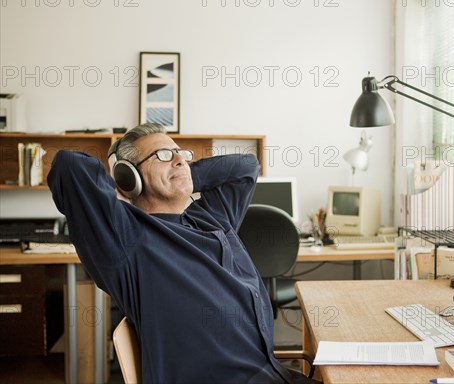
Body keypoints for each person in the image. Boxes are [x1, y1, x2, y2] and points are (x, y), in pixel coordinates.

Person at [48, 123, 315, 383]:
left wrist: (181, 173)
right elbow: (69, 166)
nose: (179, 159)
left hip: (272, 372)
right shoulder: (126, 236)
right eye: (163, 155)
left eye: (182, 153)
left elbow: (245, 167)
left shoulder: (211, 218)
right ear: (130, 175)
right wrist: (131, 183)